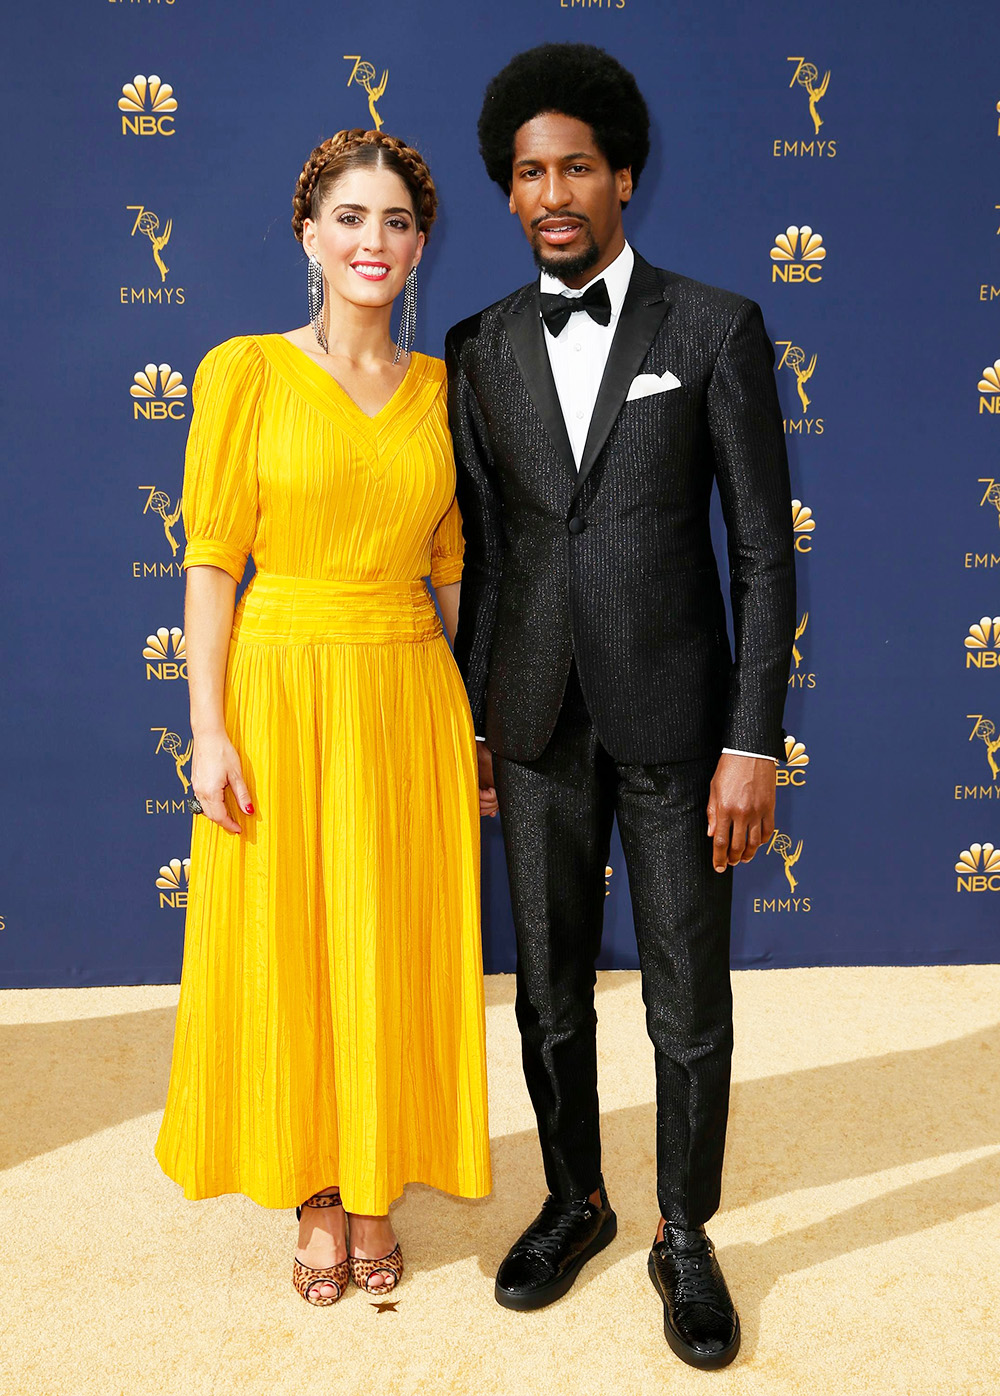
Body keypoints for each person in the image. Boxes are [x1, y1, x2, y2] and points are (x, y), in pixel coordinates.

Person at [447, 44, 794, 1369]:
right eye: (530, 171)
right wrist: (481, 721)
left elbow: (764, 552)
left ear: (624, 177)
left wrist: (751, 738)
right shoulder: (477, 345)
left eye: (576, 166)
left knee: (685, 1000)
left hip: (679, 722)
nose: (553, 191)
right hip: (533, 719)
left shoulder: (713, 326)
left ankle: (685, 1233)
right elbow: (484, 556)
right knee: (545, 991)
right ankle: (576, 1201)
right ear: (511, 189)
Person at [155, 127, 492, 1307]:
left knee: (389, 936)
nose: (375, 241)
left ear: (420, 245)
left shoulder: (448, 388)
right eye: (351, 217)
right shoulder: (242, 369)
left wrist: (484, 715)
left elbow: (455, 567)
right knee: (291, 938)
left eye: (398, 222)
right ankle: (309, 1185)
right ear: (308, 234)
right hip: (282, 680)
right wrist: (206, 727)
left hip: (405, 690)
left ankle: (369, 1181)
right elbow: (209, 560)